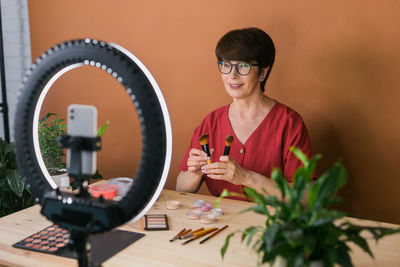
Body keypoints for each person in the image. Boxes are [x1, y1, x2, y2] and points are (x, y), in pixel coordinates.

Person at [176, 27, 313, 200]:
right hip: (220, 220)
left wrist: (246, 177)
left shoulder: (290, 123)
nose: (232, 75)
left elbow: (305, 197)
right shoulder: (211, 122)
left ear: (262, 73)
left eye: (243, 66)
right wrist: (194, 172)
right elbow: (181, 187)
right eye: (226, 65)